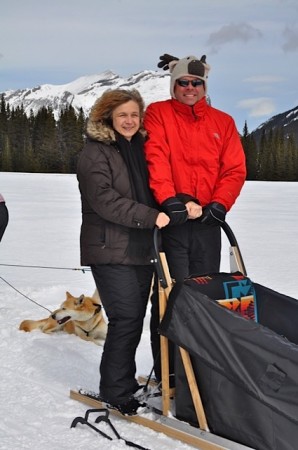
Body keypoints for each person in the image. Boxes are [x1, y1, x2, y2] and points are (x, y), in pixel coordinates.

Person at [144, 54, 247, 382]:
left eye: (196, 83)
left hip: (206, 224)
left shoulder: (223, 122)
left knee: (205, 297)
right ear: (174, 85)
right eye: (183, 82)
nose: (190, 88)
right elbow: (155, 156)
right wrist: (169, 199)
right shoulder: (158, 114)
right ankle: (169, 373)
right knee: (171, 295)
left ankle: (200, 375)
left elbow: (234, 169)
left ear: (204, 86)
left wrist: (219, 204)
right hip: (172, 221)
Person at [76, 88, 170, 415]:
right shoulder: (95, 153)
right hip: (109, 247)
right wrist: (150, 216)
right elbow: (104, 200)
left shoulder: (141, 149)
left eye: (134, 115)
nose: (129, 121)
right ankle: (115, 391)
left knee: (137, 317)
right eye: (122, 115)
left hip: (142, 248)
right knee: (126, 318)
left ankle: (125, 381)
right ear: (108, 118)